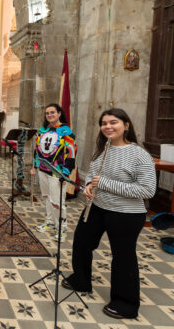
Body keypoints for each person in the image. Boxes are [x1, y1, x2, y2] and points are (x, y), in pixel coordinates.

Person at [63, 108, 156, 320]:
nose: (108, 126)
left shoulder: (139, 154)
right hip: (98, 207)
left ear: (126, 125)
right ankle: (81, 280)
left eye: (113, 122)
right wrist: (88, 185)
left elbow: (147, 190)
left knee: (122, 257)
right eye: (104, 123)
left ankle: (126, 303)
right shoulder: (103, 148)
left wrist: (105, 184)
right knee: (81, 243)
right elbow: (94, 173)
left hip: (125, 214)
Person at [31, 103, 77, 242]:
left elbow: (71, 151)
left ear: (59, 113)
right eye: (47, 113)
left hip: (58, 171)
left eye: (52, 112)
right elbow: (37, 148)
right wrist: (35, 166)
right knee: (46, 197)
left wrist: (66, 171)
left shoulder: (66, 131)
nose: (49, 115)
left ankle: (61, 228)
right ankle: (50, 223)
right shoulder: (43, 129)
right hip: (43, 169)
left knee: (57, 201)